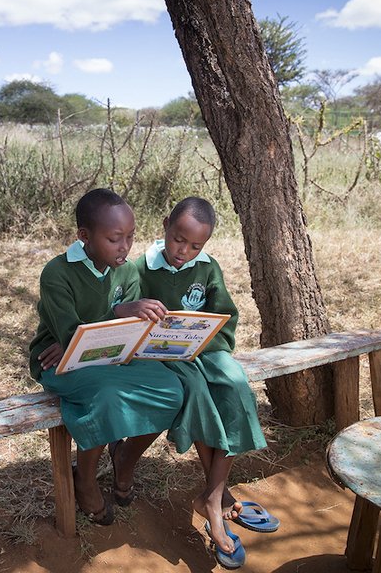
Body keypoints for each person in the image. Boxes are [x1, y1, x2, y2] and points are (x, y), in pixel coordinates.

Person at [29, 188, 185, 525]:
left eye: (130, 237)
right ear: (84, 236)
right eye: (115, 238)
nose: (125, 246)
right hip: (58, 361)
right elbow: (71, 338)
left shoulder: (127, 273)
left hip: (113, 357)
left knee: (172, 389)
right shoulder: (57, 273)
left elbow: (118, 332)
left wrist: (94, 331)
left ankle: (125, 457)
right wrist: (116, 313)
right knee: (107, 395)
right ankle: (84, 480)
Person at [135, 196, 270, 561]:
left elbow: (224, 316)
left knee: (235, 384)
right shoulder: (141, 268)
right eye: (179, 240)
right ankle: (216, 499)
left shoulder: (208, 267)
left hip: (205, 349)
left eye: (196, 245)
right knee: (196, 391)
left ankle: (213, 493)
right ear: (165, 225)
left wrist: (206, 341)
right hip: (161, 356)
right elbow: (129, 324)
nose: (184, 251)